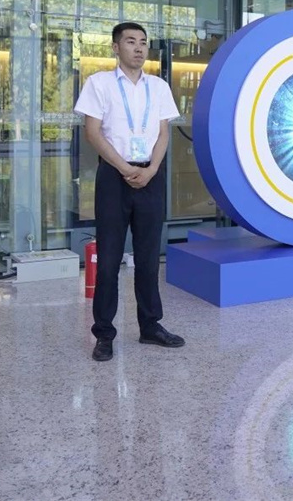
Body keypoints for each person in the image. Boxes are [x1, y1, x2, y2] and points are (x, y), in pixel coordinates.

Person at [74, 22, 184, 361]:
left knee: (149, 258)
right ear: (115, 47)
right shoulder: (99, 83)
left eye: (143, 42)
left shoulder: (159, 87)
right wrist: (124, 168)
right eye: (131, 41)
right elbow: (92, 133)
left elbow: (163, 134)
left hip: (151, 175)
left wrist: (151, 169)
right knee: (108, 260)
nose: (138, 48)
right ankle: (104, 334)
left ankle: (150, 326)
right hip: (113, 175)